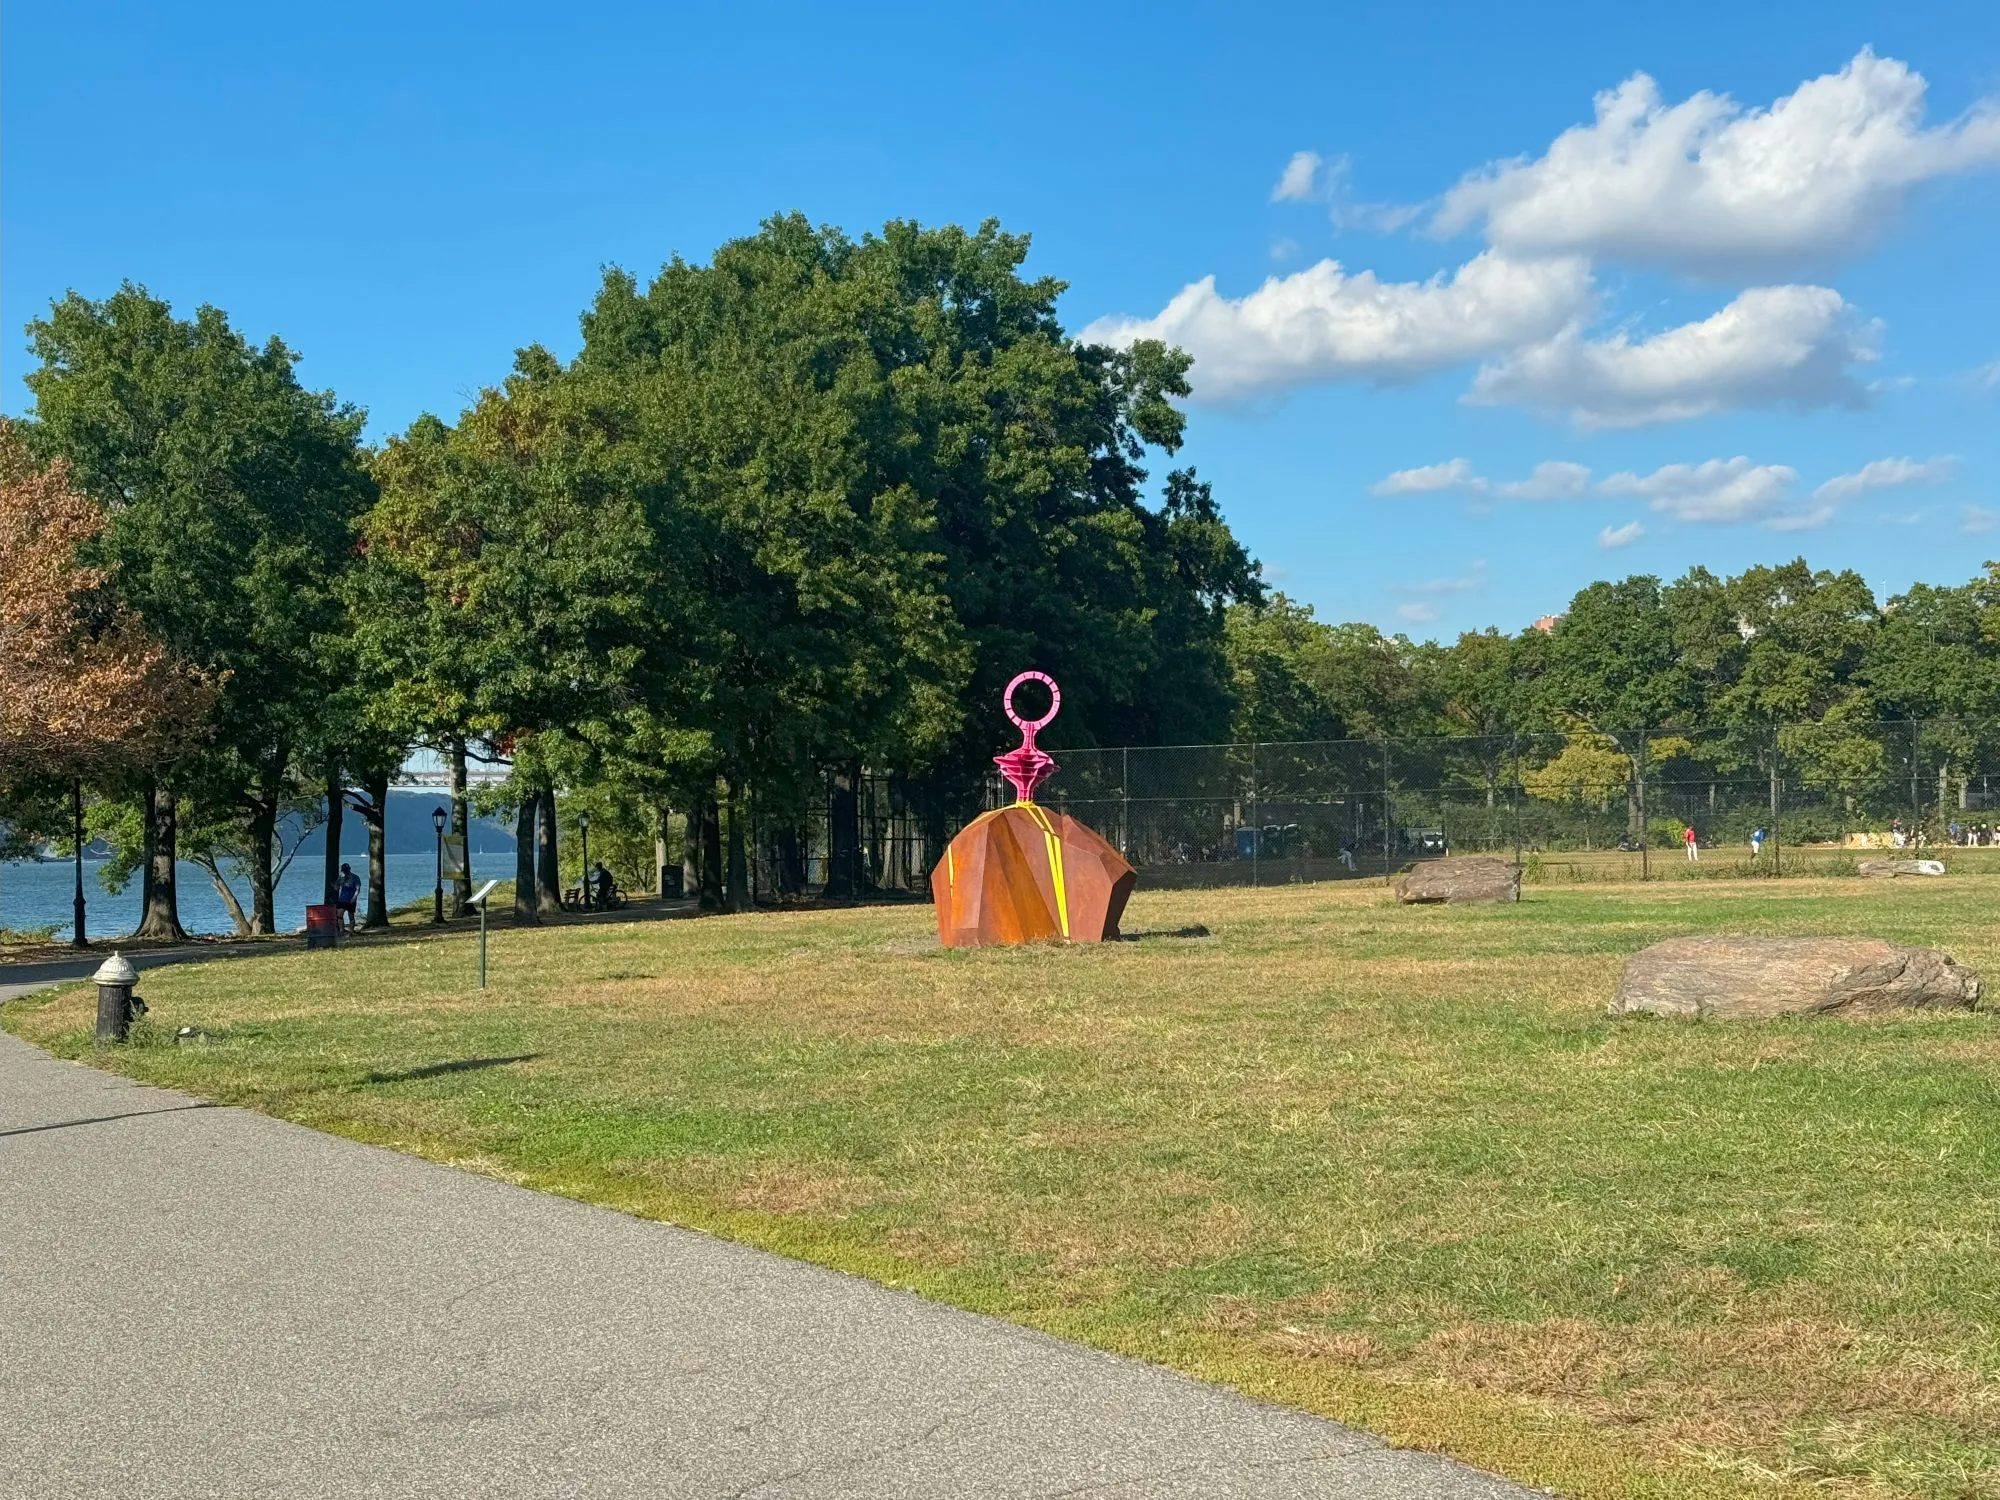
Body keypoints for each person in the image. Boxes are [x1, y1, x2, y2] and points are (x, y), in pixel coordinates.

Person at [335, 862, 361, 931]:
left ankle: (351, 930)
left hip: (351, 899)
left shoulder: (355, 877)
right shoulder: (342, 878)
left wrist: (354, 897)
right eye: (344, 871)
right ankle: (341, 930)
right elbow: (336, 888)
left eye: (346, 870)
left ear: (349, 869)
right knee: (339, 915)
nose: (345, 872)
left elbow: (357, 889)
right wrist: (338, 880)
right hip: (342, 899)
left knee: (351, 916)